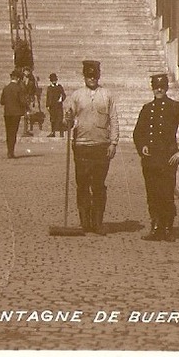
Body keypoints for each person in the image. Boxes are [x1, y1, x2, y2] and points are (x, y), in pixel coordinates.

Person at [133, 73, 179, 242]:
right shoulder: (147, 109)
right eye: (156, 87)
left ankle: (168, 227)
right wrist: (142, 146)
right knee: (153, 194)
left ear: (167, 88)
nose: (159, 90)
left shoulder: (175, 107)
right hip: (150, 161)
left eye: (162, 87)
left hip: (168, 160)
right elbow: (137, 133)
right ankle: (156, 227)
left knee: (167, 193)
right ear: (152, 88)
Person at [63, 60, 119, 235]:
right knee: (82, 184)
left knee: (98, 185)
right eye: (89, 76)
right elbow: (67, 121)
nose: (92, 79)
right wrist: (68, 118)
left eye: (94, 75)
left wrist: (113, 142)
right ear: (84, 76)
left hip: (101, 146)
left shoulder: (107, 95)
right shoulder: (76, 96)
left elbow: (114, 119)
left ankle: (97, 222)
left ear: (99, 76)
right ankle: (85, 221)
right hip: (81, 146)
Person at [0, 69, 28, 158]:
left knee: (8, 132)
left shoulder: (6, 88)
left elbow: (2, 101)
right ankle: (11, 152)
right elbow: (22, 101)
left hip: (7, 113)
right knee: (13, 132)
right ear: (18, 78)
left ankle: (9, 151)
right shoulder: (19, 88)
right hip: (16, 113)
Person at [19, 66, 41, 135]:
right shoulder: (20, 80)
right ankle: (25, 130)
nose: (27, 73)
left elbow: (34, 90)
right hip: (22, 98)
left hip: (28, 98)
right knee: (24, 114)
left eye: (28, 71)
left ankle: (26, 130)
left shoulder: (31, 80)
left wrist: (33, 99)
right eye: (25, 71)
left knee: (27, 114)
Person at [45, 73, 66, 137]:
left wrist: (61, 99)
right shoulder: (49, 88)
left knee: (60, 119)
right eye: (52, 80)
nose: (54, 81)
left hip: (58, 105)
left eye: (55, 80)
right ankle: (52, 132)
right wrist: (47, 105)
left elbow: (64, 95)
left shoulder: (59, 87)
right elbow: (48, 97)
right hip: (52, 106)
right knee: (52, 119)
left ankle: (61, 133)